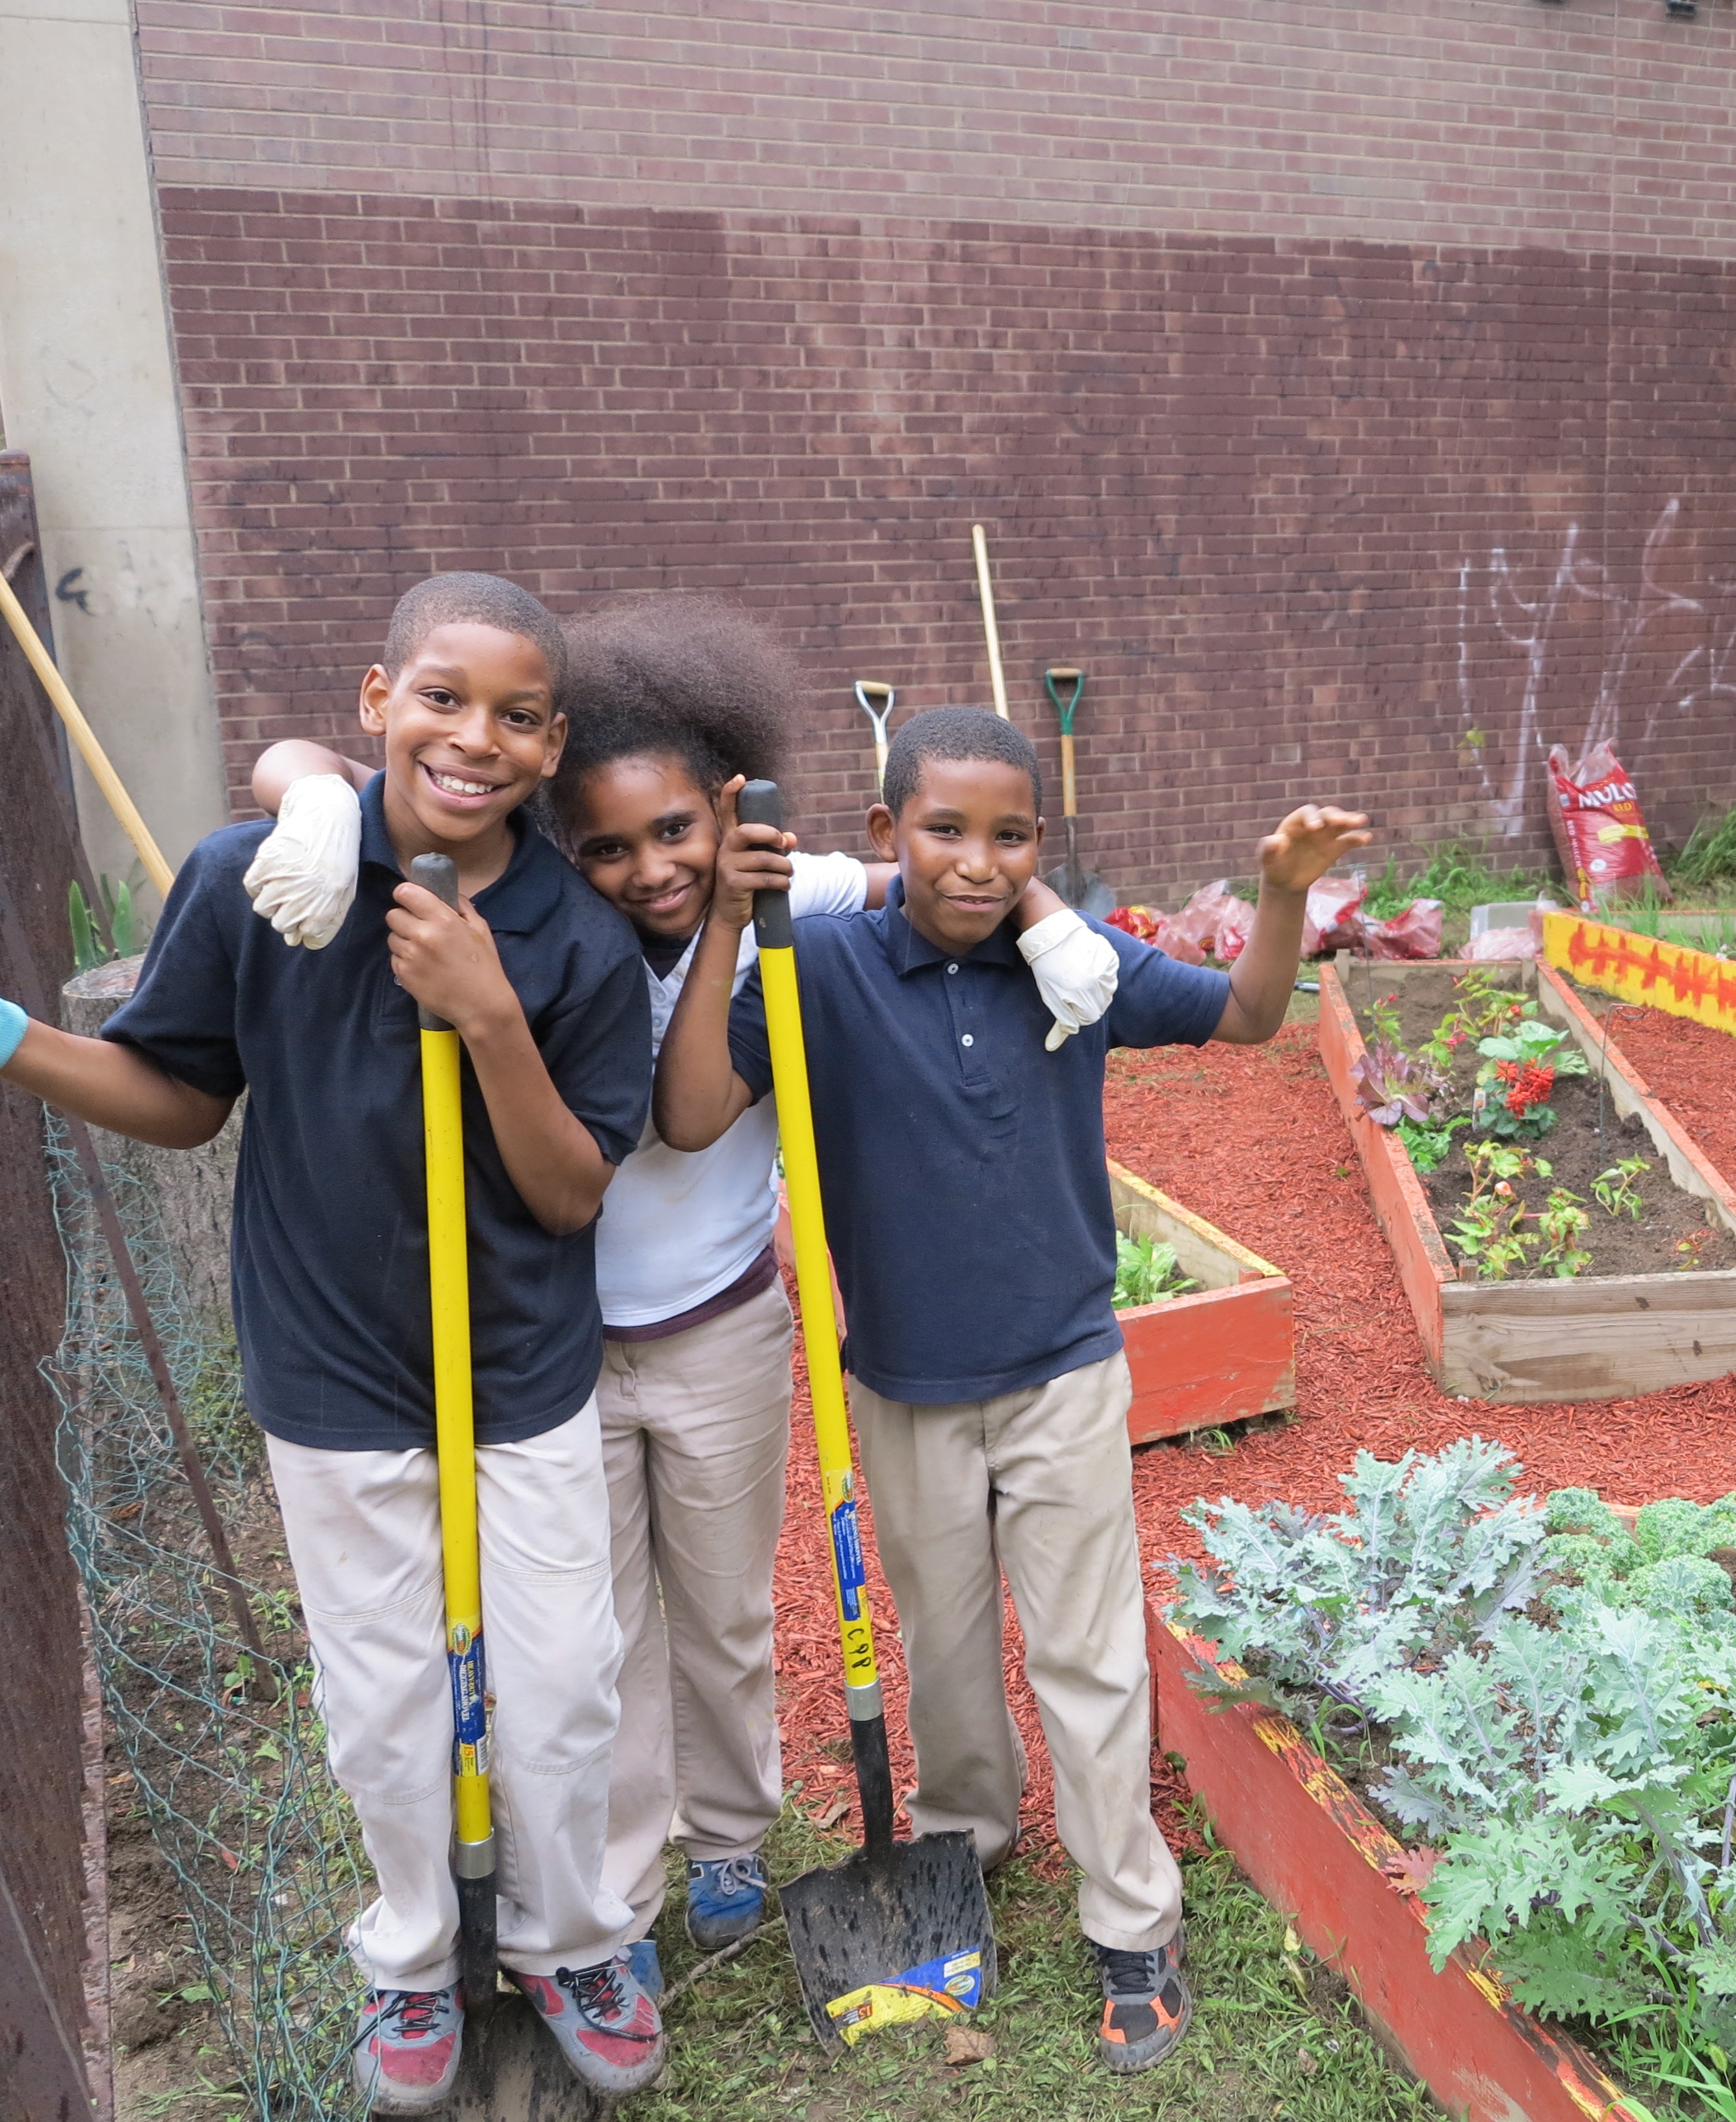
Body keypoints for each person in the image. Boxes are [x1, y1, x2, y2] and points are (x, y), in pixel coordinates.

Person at [239, 599, 1125, 1991]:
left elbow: (959, 870)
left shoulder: (794, 893)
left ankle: (730, 1837)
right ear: (555, 838)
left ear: (725, 809)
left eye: (675, 835)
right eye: (604, 847)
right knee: (601, 1640)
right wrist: (299, 806)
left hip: (720, 1323)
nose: (648, 870)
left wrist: (1062, 917)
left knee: (720, 1616)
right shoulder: (527, 903)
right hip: (560, 1343)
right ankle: (623, 1876)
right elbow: (317, 765)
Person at [0, 575, 665, 2109]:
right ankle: (415, 1957)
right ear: (376, 699)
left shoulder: (573, 936)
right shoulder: (261, 881)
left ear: (551, 743)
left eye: (514, 716)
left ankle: (569, 1940)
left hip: (515, 1368)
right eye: (440, 697)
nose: (472, 738)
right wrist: (20, 1042)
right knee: (383, 1707)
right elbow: (179, 1098)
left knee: (560, 1687)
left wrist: (488, 1014)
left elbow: (571, 1192)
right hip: (333, 1369)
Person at [653, 708, 1369, 2073]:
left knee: (1088, 1650)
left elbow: (1251, 1013)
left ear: (1043, 843)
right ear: (884, 836)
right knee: (946, 1643)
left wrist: (1280, 896)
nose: (977, 863)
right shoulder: (822, 970)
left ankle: (1129, 1914)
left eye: (1010, 836)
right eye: (943, 831)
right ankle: (961, 1848)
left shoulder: (1072, 970)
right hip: (903, 1383)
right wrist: (727, 937)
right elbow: (690, 1114)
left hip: (1062, 1371)